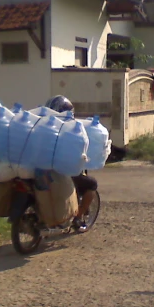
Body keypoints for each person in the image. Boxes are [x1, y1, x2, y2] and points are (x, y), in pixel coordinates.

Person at [45, 95, 98, 233]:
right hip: (62, 173)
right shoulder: (70, 130)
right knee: (92, 184)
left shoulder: (44, 126)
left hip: (41, 170)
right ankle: (77, 217)